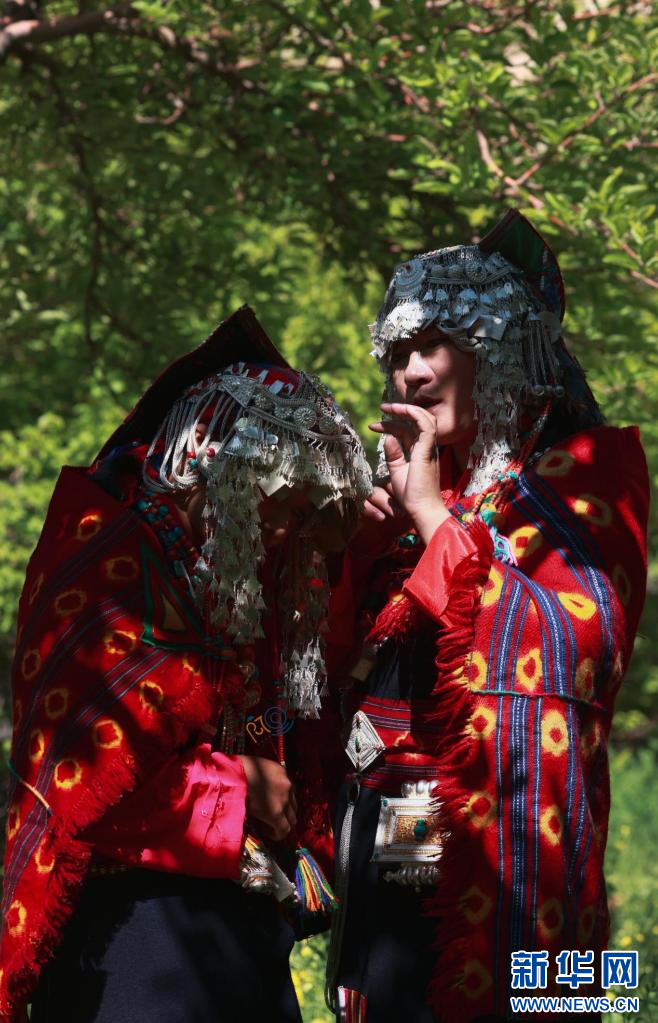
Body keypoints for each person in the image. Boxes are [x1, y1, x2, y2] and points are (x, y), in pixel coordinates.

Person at [0, 306, 372, 1023]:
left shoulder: (247, 581)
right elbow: (78, 778)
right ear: (215, 465)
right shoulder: (105, 559)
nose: (284, 529)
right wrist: (236, 789)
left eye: (301, 512)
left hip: (239, 927)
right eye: (275, 501)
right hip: (131, 936)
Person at [326, 211, 650, 1023]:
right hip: (394, 837)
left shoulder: (588, 473)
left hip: (511, 866)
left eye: (435, 344)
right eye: (396, 351)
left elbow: (574, 647)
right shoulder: (410, 491)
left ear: (497, 351)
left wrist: (434, 518)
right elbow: (330, 678)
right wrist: (351, 549)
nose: (409, 372)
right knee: (391, 993)